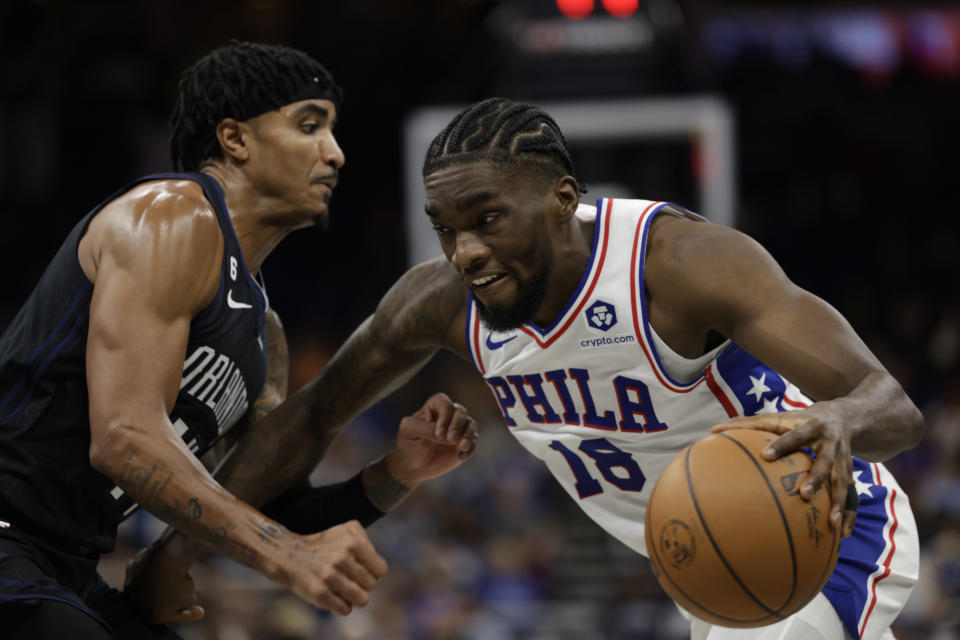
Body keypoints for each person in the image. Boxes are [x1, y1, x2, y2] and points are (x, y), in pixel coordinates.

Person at [143, 97, 923, 638]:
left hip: (831, 527)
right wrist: (177, 552)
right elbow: (312, 417)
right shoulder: (439, 302)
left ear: (561, 198)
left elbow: (892, 405)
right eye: (445, 229)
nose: (465, 251)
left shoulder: (679, 263)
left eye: (486, 219)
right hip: (719, 563)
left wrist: (841, 419)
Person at [0, 41, 479, 639]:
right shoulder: (171, 216)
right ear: (235, 139)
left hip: (65, 565)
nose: (335, 154)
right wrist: (284, 554)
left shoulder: (263, 335)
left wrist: (398, 473)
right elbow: (123, 437)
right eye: (310, 126)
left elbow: (269, 506)